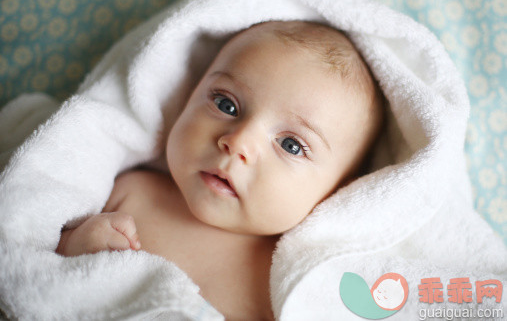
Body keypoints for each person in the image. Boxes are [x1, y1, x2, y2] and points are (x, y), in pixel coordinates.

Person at [56, 20, 384, 320]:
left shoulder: (293, 281)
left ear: (339, 192)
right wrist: (78, 244)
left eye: (291, 145)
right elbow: (31, 264)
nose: (238, 142)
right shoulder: (131, 191)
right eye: (226, 105)